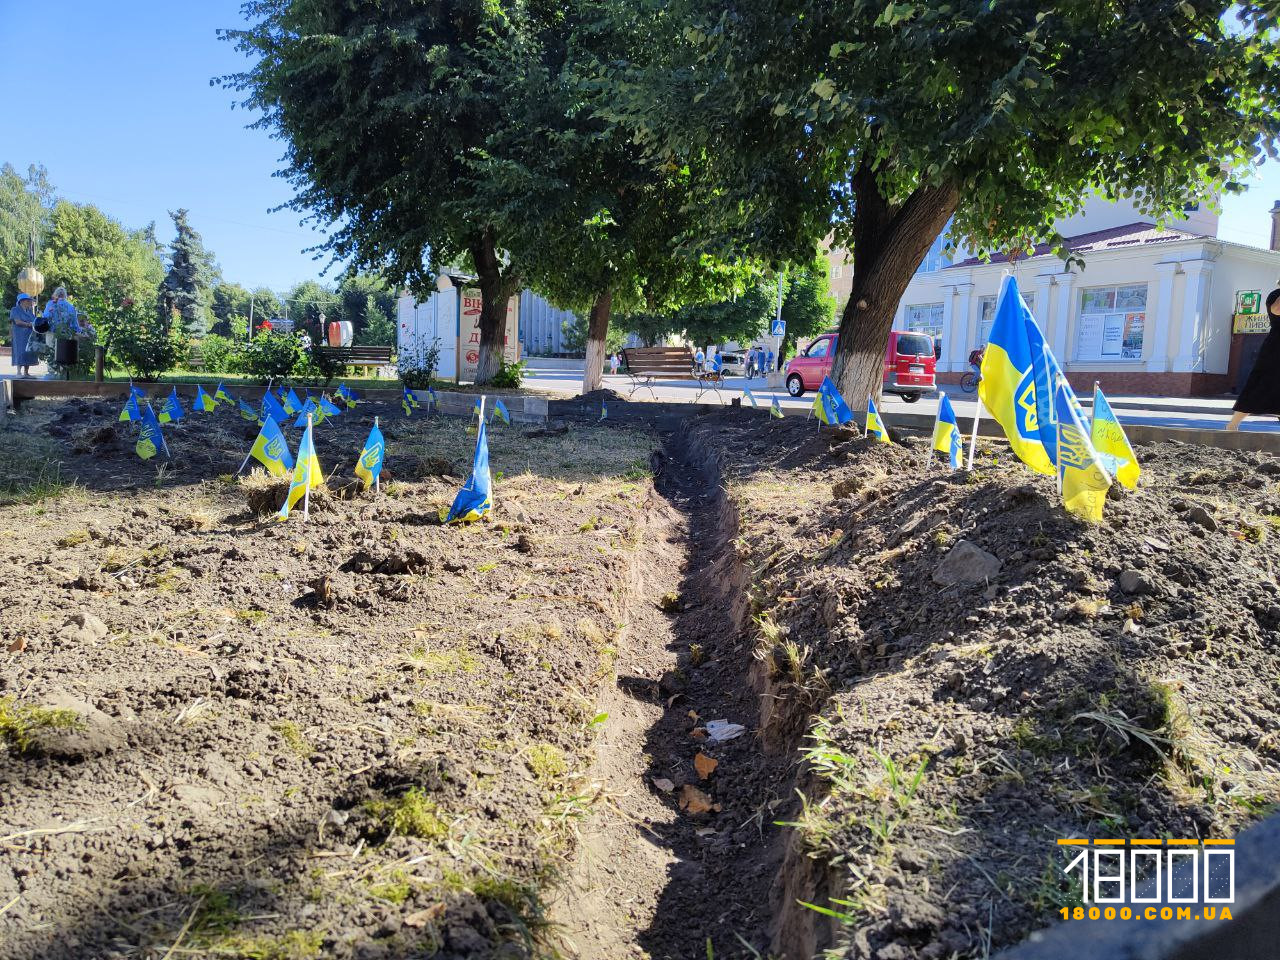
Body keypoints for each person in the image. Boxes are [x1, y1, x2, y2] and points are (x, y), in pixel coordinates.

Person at [1227, 287, 1280, 431]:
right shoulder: (1275, 295)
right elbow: (1277, 310)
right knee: (1258, 385)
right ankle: (1232, 426)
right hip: (1275, 349)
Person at [9, 292, 40, 377]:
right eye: (28, 301)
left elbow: (34, 321)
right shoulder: (15, 309)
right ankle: (19, 372)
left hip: (29, 335)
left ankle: (26, 372)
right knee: (20, 351)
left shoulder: (30, 311)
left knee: (28, 352)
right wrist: (29, 324)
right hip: (19, 335)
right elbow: (17, 322)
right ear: (22, 301)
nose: (30, 302)